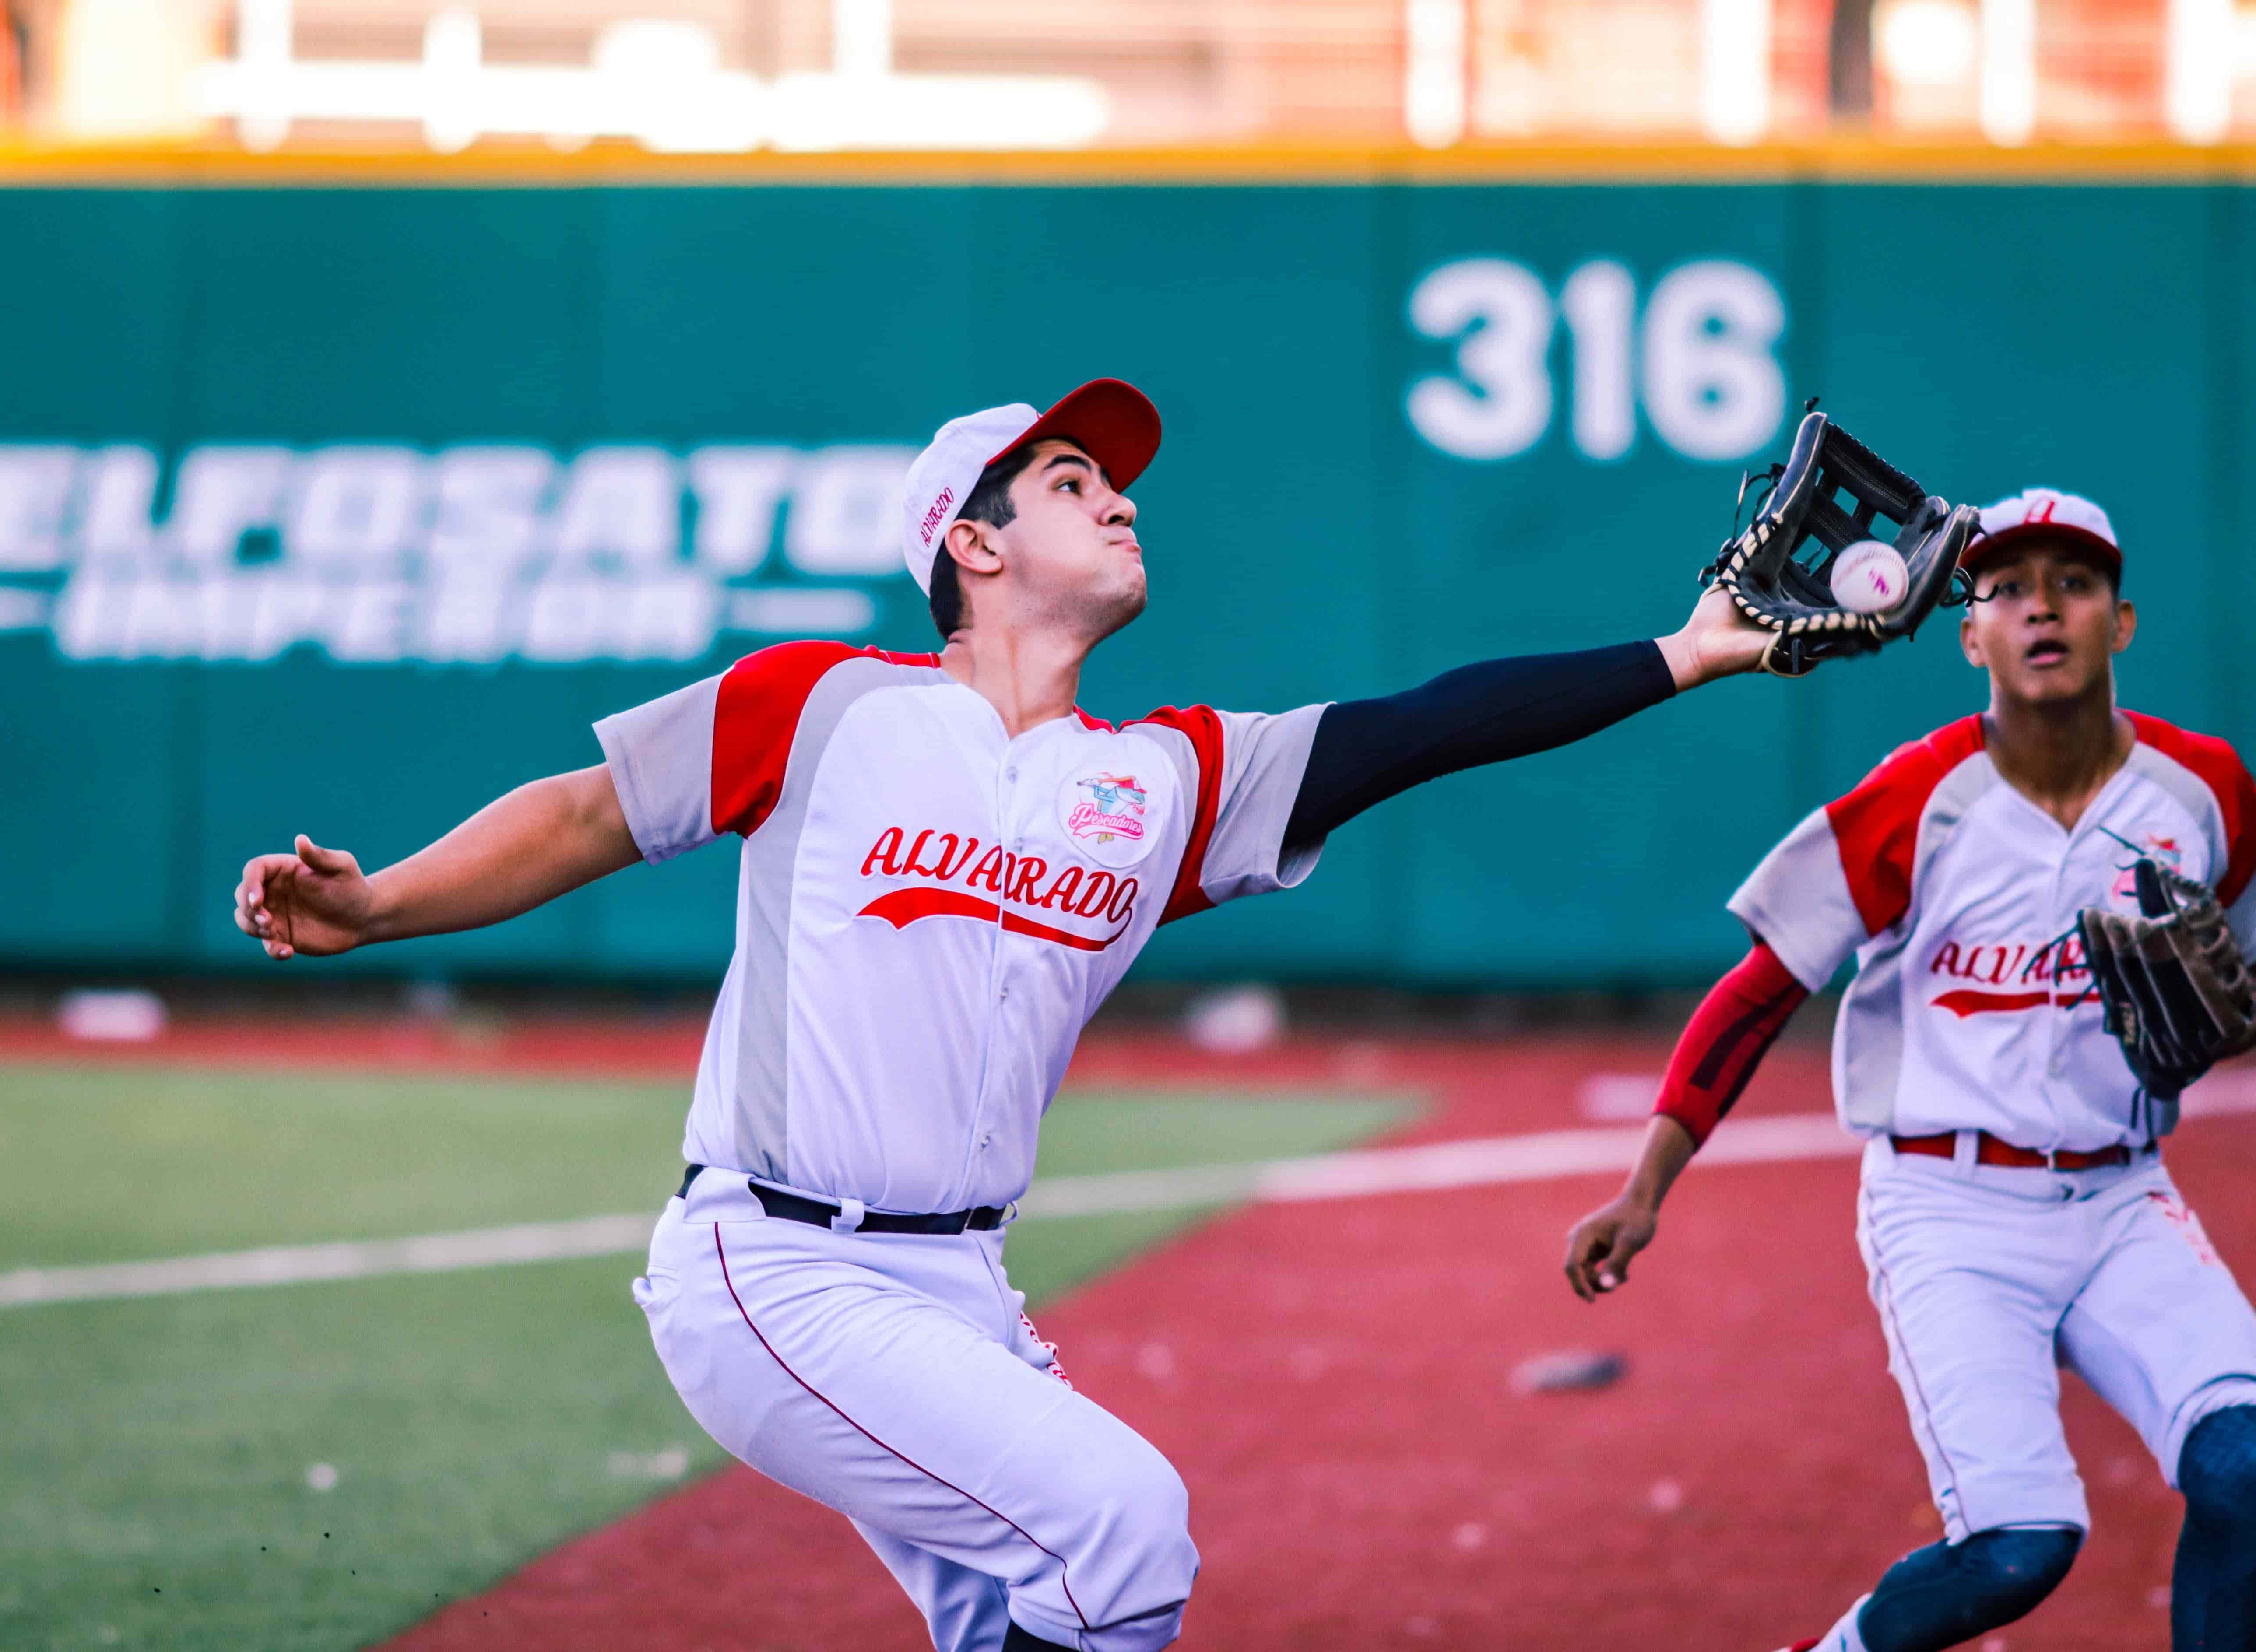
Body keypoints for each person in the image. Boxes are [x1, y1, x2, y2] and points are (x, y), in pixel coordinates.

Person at [237, 379, 1784, 1652]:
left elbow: (1425, 729)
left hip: (959, 1286)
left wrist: (1684, 652)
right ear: (971, 545)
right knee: (1125, 1534)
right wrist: (380, 909)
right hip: (775, 1265)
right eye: (1066, 480)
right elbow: (587, 813)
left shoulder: (1167, 777)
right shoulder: (824, 704)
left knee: (1034, 1617)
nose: (1118, 497)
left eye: (1114, 484)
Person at [1561, 488, 2256, 1652]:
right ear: (1970, 636)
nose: (2042, 608)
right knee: (2020, 1547)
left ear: (2124, 623)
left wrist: (2233, 1021)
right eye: (2007, 588)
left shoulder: (2208, 794)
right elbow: (1763, 987)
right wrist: (1645, 1187)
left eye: (2076, 583)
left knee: (2248, 1459)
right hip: (1948, 1212)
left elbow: (2245, 991)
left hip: (2122, 1197)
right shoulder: (1919, 796)